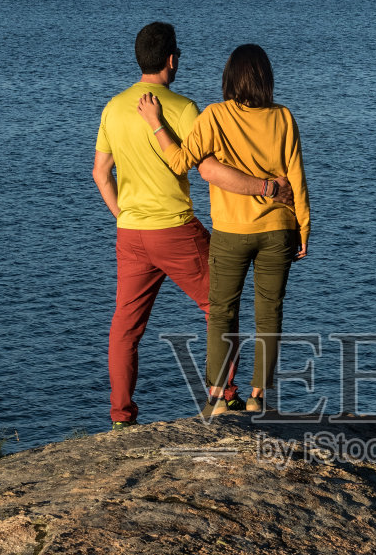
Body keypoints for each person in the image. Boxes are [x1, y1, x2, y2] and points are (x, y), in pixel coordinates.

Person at [93, 22, 293, 427]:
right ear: (171, 59)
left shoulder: (113, 107)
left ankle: (121, 416)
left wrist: (124, 215)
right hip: (176, 229)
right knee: (221, 308)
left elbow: (100, 172)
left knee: (126, 327)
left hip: (130, 234)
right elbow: (209, 169)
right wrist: (266, 187)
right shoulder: (183, 109)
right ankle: (227, 397)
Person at [138, 43, 310, 417]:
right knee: (269, 315)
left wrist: (156, 122)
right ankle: (257, 397)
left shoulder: (215, 116)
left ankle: (217, 397)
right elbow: (296, 176)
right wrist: (303, 228)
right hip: (279, 227)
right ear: (266, 77)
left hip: (232, 231)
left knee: (222, 312)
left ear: (229, 77)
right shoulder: (283, 116)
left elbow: (181, 162)